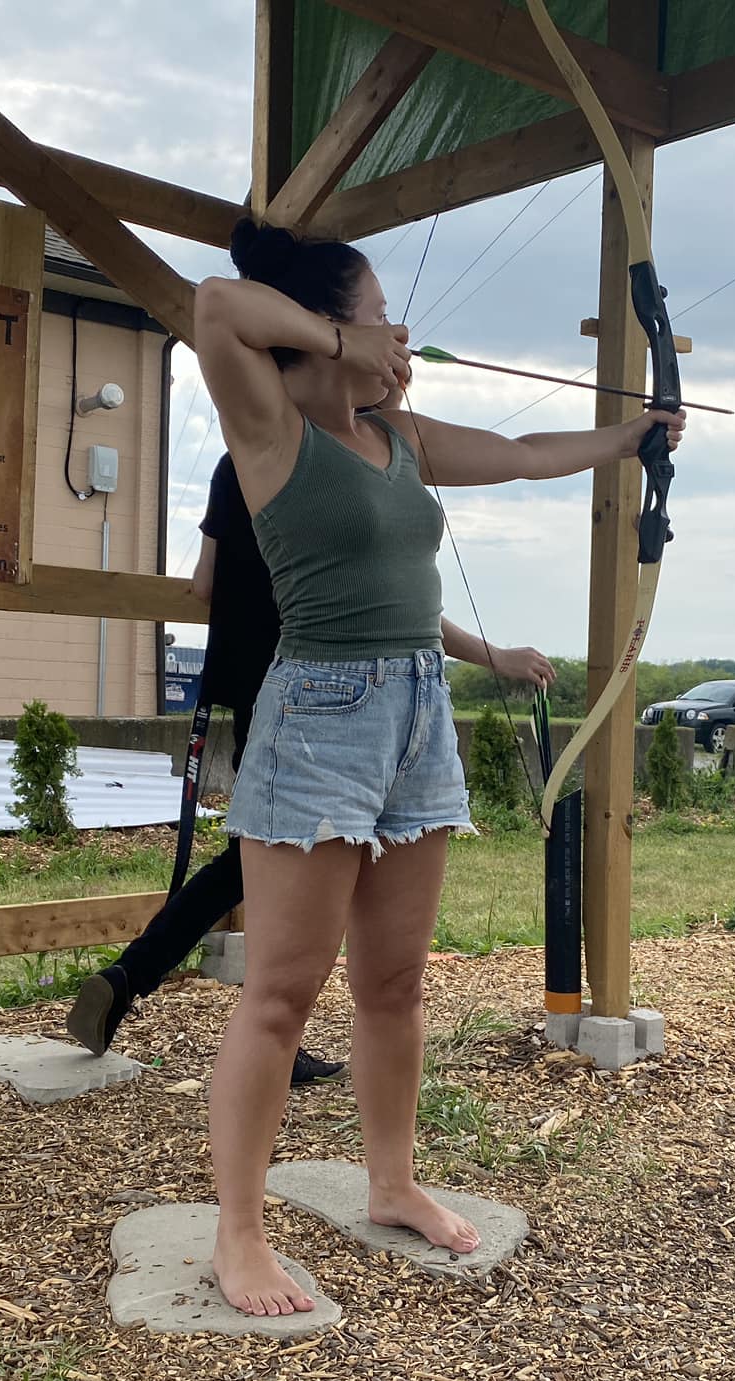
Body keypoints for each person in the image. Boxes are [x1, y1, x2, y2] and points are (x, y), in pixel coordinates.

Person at [189, 218, 684, 1316]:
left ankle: (391, 1182)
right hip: (318, 716)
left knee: (394, 985)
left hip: (417, 719)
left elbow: (516, 456)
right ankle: (238, 1232)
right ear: (324, 333)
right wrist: (339, 336)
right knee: (278, 994)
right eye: (381, 320)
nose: (400, 341)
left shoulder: (399, 439)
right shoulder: (268, 428)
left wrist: (631, 439)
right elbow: (214, 309)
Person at [63, 454, 555, 1086]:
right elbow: (385, 604)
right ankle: (254, 1029)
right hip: (318, 690)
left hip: (250, 684)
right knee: (287, 867)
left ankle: (131, 978)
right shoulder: (326, 464)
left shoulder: (230, 460)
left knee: (255, 860)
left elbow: (204, 584)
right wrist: (495, 656)